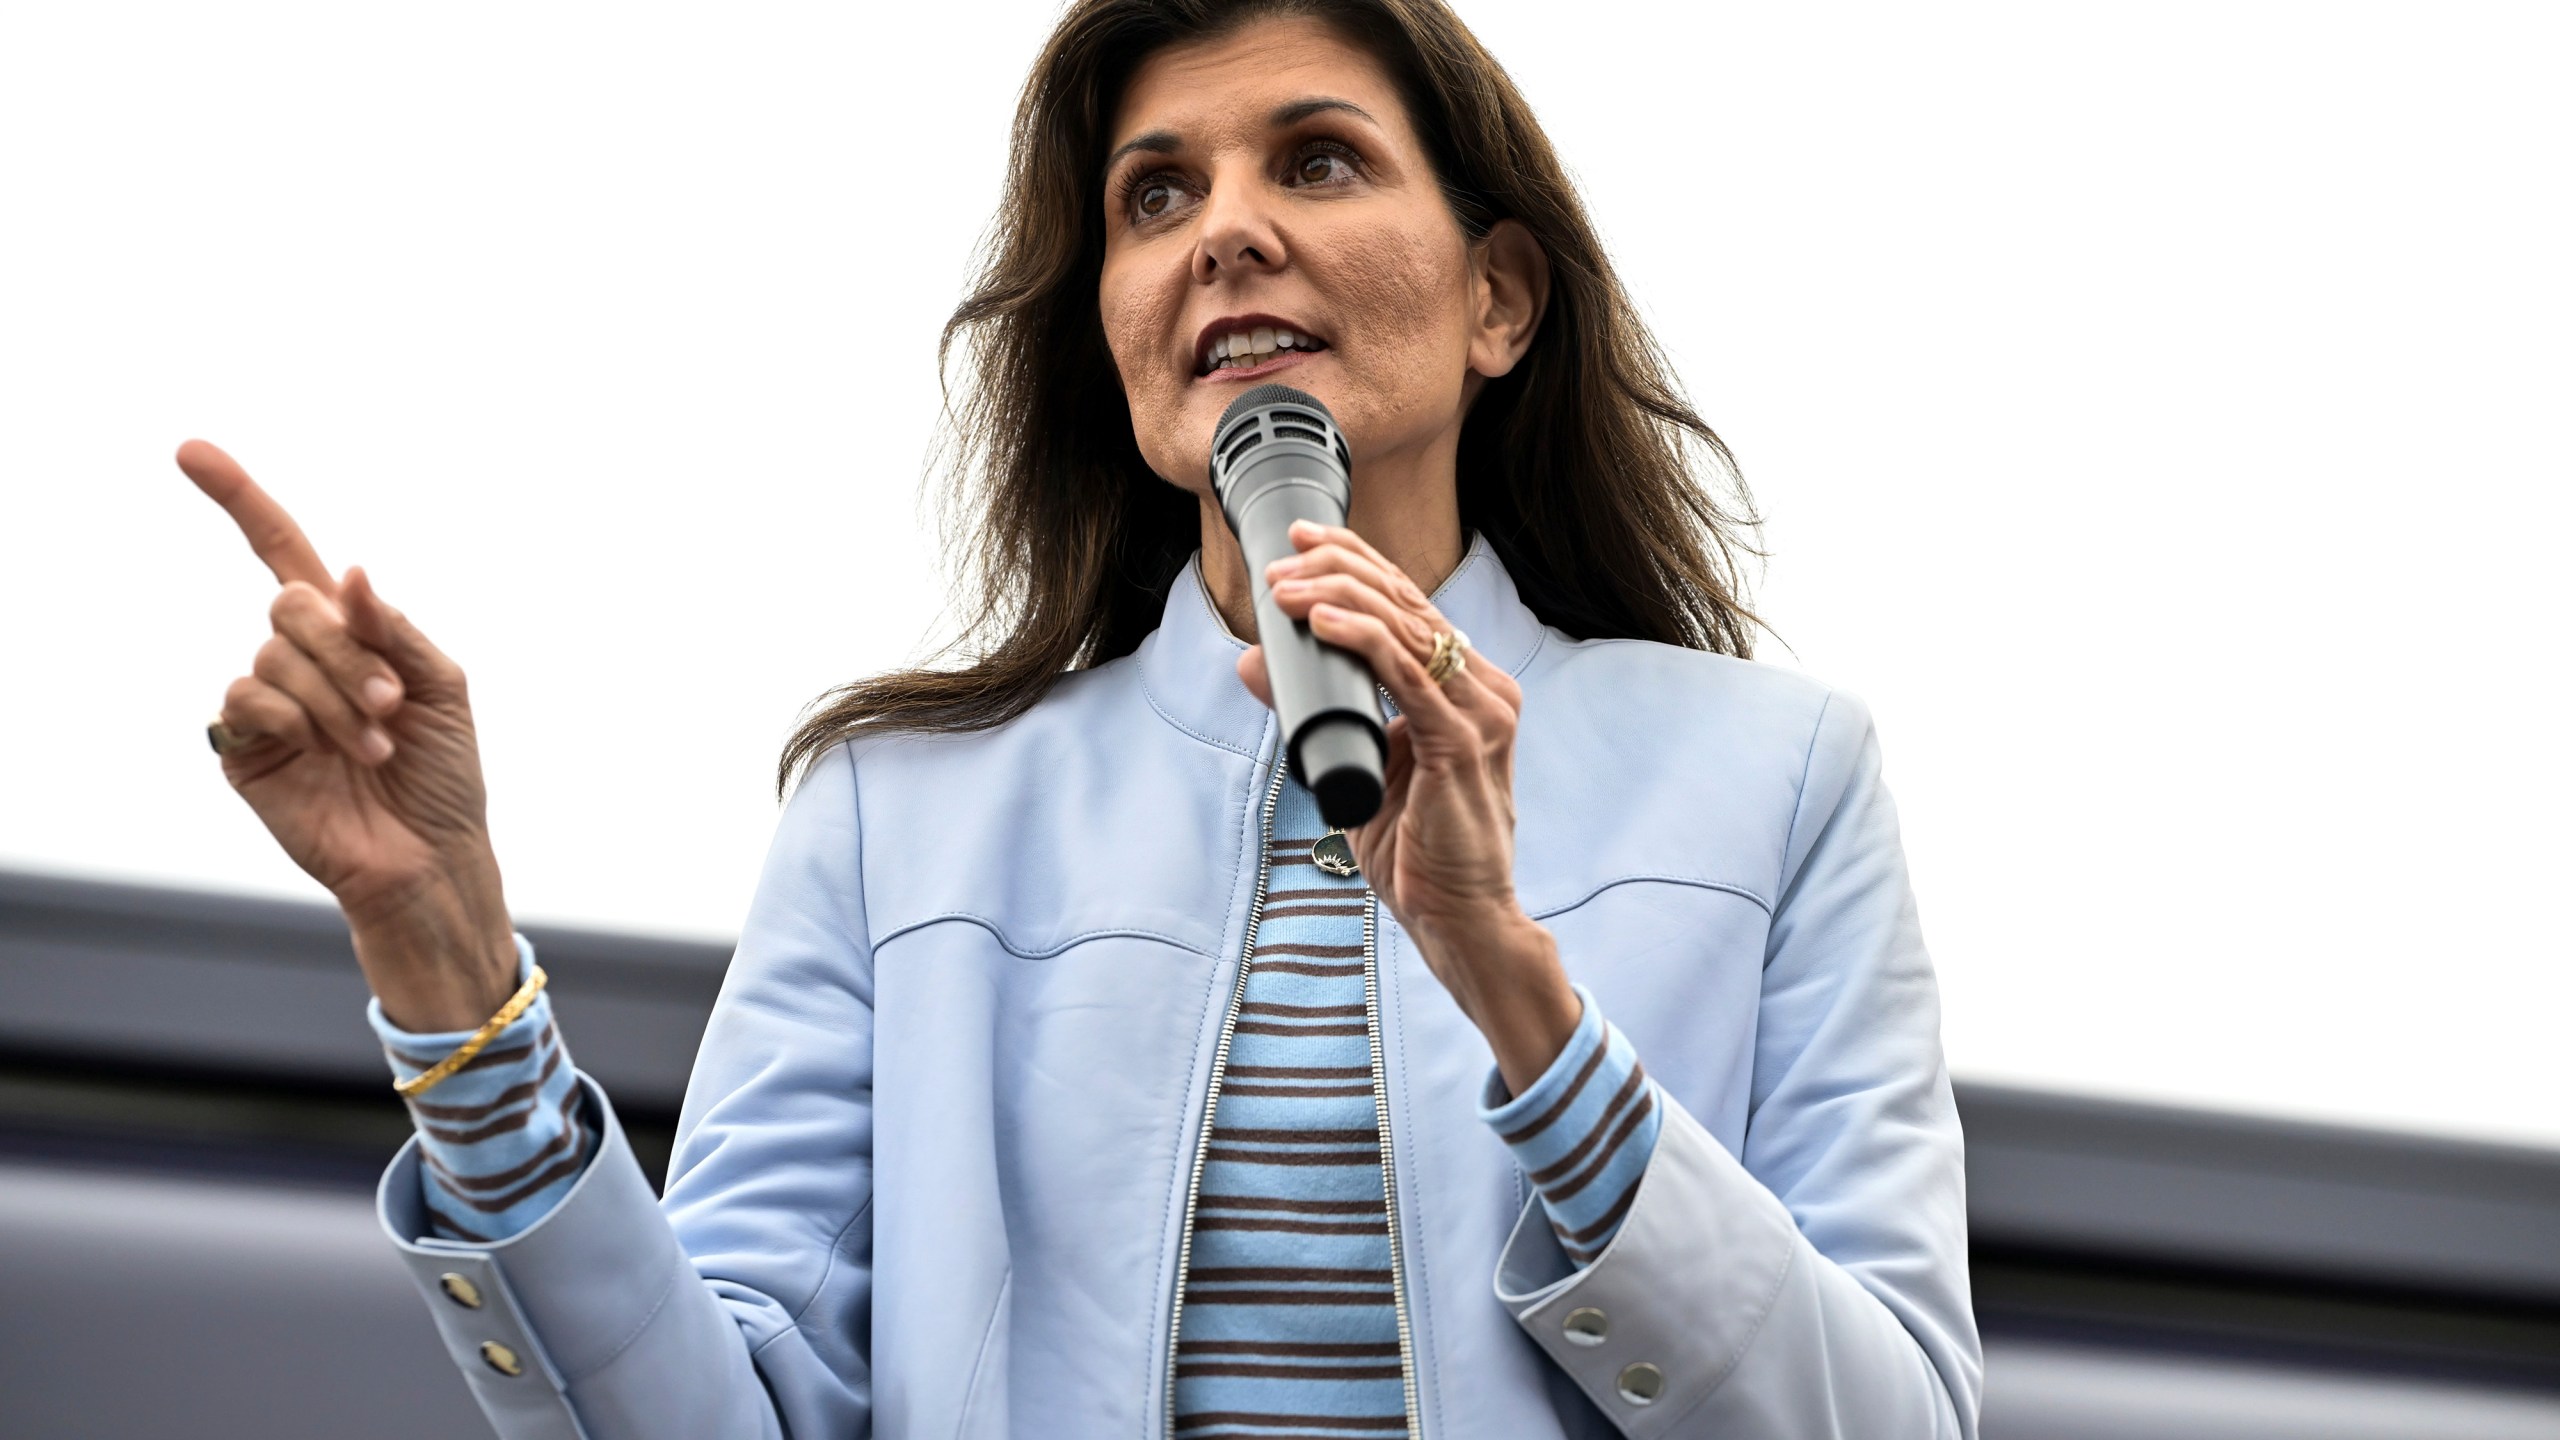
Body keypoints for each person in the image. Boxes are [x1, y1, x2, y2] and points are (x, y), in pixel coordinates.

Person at [184, 1, 1980, 1435]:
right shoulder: (904, 820)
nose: (1231, 234)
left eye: (1321, 161)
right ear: (1120, 335)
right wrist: (440, 953)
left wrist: (1514, 989)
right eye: (1157, 194)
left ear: (1498, 298)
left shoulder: (1780, 781)